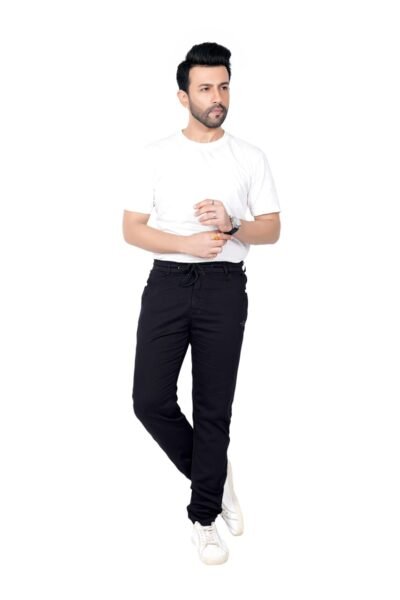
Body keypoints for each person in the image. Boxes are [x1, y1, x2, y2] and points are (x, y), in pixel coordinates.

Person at [122, 42, 281, 565]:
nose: (218, 97)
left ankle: (204, 517)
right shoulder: (155, 154)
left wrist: (231, 224)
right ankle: (212, 474)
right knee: (149, 401)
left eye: (224, 86)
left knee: (214, 407)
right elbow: (132, 229)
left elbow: (272, 229)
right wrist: (186, 244)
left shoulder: (249, 157)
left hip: (224, 288)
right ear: (183, 95)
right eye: (206, 88)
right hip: (167, 283)